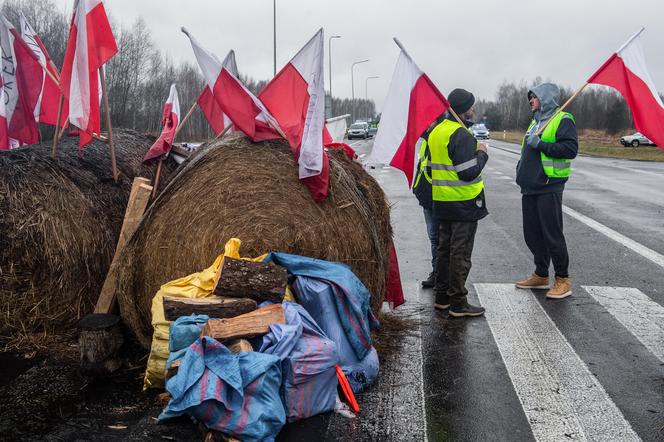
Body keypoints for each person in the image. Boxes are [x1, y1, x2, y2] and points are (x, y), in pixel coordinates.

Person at [428, 88, 488, 317]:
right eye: (471, 106)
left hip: (442, 201)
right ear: (463, 109)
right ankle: (458, 303)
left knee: (444, 251)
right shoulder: (460, 134)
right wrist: (482, 153)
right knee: (459, 254)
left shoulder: (437, 131)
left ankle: (442, 297)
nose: (473, 110)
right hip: (463, 203)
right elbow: (468, 172)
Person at [515, 83, 578, 299]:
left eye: (534, 97)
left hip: (548, 185)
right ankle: (541, 274)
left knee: (552, 234)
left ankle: (562, 279)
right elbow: (527, 151)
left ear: (545, 98)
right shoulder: (535, 122)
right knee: (532, 234)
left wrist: (540, 144)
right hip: (529, 186)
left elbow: (570, 150)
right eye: (530, 98)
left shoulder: (562, 119)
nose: (531, 101)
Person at [413, 116, 445, 288]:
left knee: (441, 240)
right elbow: (422, 167)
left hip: (441, 197)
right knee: (434, 239)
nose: (426, 123)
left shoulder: (440, 138)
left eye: (430, 119)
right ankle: (437, 273)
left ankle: (442, 276)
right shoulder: (426, 140)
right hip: (427, 198)